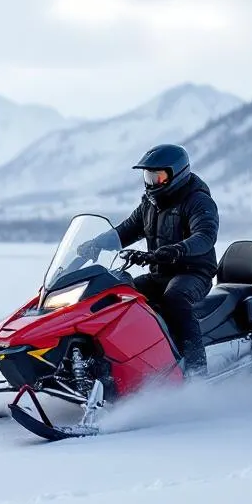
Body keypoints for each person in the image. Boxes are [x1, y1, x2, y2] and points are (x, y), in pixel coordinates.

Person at [79, 144, 219, 376]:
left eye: (158, 176)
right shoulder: (150, 203)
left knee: (175, 299)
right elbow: (126, 230)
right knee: (118, 293)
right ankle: (119, 362)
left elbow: (205, 236)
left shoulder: (198, 201)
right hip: (160, 273)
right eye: (148, 176)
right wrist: (96, 243)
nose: (152, 182)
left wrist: (177, 249)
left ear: (178, 174)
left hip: (193, 273)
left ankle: (196, 370)